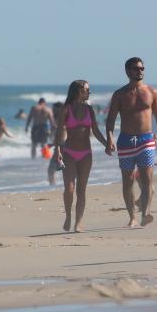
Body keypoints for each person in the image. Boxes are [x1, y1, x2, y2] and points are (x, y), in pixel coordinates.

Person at [106, 57, 157, 227]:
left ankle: (146, 213)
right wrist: (109, 138)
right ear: (127, 71)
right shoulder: (119, 94)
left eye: (142, 68)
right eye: (135, 68)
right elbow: (111, 119)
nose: (139, 71)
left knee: (147, 177)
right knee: (127, 180)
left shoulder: (151, 92)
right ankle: (132, 217)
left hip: (146, 140)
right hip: (126, 141)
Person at [53, 80, 108, 232]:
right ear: (78, 91)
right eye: (86, 90)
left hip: (86, 154)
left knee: (81, 190)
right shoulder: (66, 109)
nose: (89, 92)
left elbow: (95, 130)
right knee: (69, 189)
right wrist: (57, 151)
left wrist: (107, 144)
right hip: (69, 153)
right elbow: (58, 133)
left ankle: (78, 222)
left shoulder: (90, 110)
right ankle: (68, 215)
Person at [47, 101, 65, 185]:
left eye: (54, 109)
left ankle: (53, 187)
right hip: (61, 147)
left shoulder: (60, 119)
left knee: (51, 170)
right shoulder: (60, 119)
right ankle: (55, 186)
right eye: (53, 109)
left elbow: (63, 135)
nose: (53, 111)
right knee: (62, 170)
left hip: (61, 149)